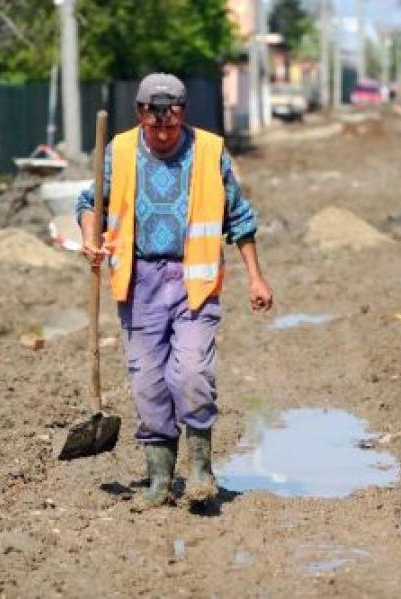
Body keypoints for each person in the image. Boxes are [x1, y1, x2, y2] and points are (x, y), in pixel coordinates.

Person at [76, 73, 273, 507]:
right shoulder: (119, 152)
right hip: (138, 283)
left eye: (171, 124)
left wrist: (256, 277)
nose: (163, 134)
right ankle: (160, 480)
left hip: (194, 282)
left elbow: (240, 218)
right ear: (140, 114)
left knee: (192, 374)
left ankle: (200, 471)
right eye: (154, 125)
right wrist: (90, 239)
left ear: (183, 114)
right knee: (147, 382)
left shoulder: (209, 152)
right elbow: (91, 203)